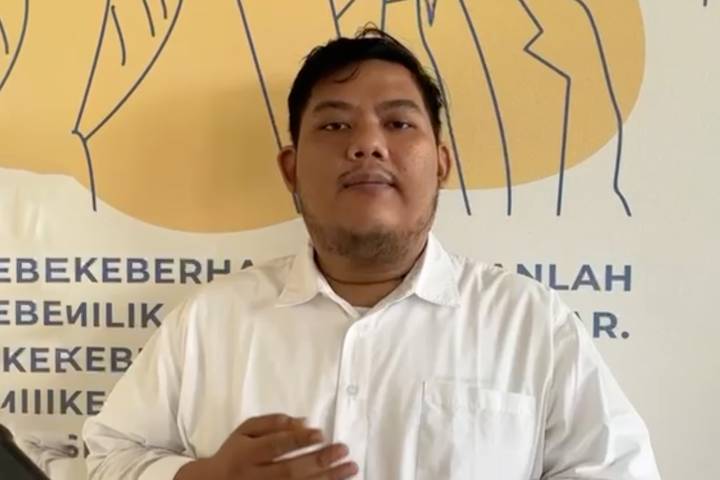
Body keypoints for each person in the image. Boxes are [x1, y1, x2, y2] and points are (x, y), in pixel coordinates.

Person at [83, 28, 661, 480]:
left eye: (398, 122)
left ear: (441, 163)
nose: (366, 144)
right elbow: (102, 459)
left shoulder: (528, 322)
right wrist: (200, 477)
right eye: (335, 124)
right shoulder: (209, 322)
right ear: (291, 169)